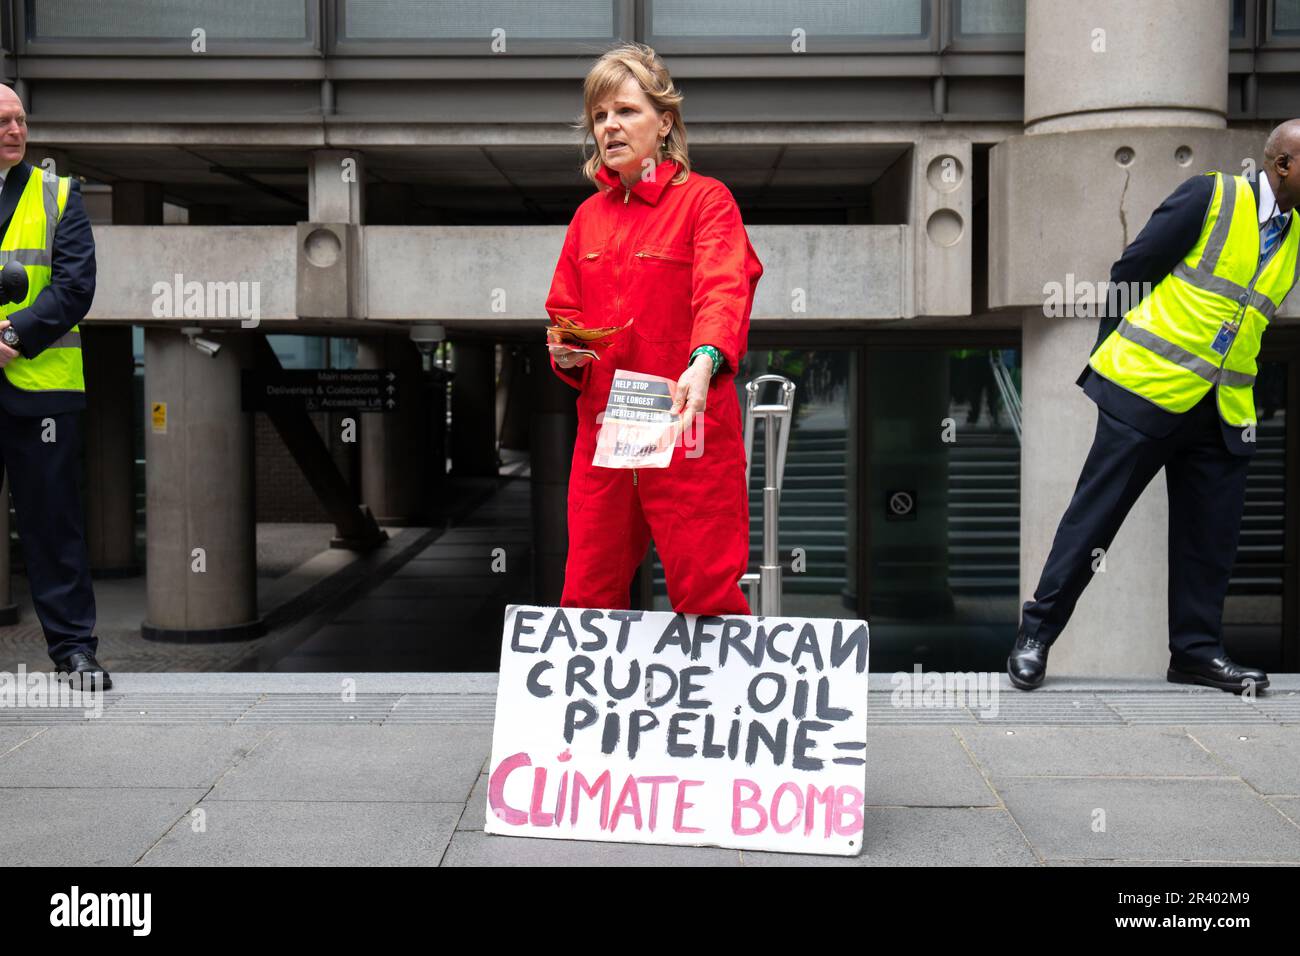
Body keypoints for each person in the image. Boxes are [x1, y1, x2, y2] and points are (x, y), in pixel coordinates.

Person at [1009, 119, 1300, 694]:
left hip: (1223, 410)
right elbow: (1131, 272)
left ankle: (1195, 653)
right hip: (1145, 393)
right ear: (1283, 164)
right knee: (1093, 521)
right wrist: (1109, 357)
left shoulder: (1294, 235)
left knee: (1210, 538)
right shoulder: (1210, 197)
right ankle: (1035, 636)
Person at [545, 42, 763, 615]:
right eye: (599, 116)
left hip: (686, 416)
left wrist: (704, 360)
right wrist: (565, 352)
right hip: (605, 423)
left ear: (665, 122)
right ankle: (590, 705)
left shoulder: (705, 201)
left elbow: (723, 288)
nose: (609, 127)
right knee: (586, 590)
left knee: (705, 589)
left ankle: (717, 701)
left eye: (626, 111)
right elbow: (564, 313)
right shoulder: (587, 219)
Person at [0, 85, 103, 689]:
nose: (16, 130)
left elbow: (75, 287)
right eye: (4, 122)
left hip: (41, 391)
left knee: (53, 525)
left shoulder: (60, 193)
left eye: (20, 119)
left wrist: (12, 333)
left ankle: (73, 650)